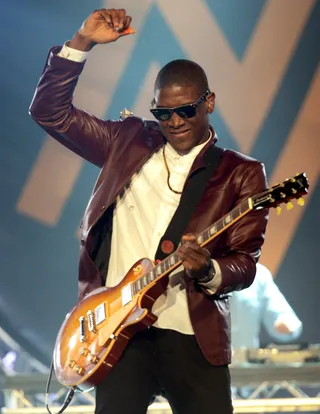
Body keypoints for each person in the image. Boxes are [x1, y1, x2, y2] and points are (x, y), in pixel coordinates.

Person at [29, 8, 269, 414]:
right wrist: (81, 43)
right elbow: (49, 113)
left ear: (208, 102)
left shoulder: (240, 173)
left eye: (185, 110)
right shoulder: (127, 141)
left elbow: (245, 264)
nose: (173, 122)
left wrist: (207, 269)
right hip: (119, 335)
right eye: (163, 113)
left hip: (193, 337)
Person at [230, 263, 303, 349]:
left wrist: (285, 322)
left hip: (244, 359)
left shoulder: (258, 273)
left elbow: (282, 315)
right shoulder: (210, 271)